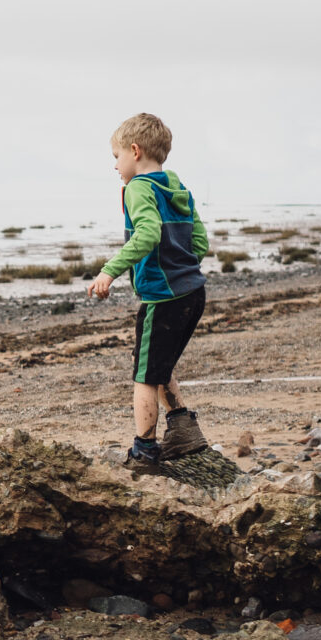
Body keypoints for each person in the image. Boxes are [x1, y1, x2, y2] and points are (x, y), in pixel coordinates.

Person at [84, 110, 211, 464]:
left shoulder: (137, 188)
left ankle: (145, 451)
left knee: (143, 375)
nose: (115, 166)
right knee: (159, 364)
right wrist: (182, 265)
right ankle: (183, 429)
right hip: (193, 293)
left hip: (164, 298)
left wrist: (109, 271)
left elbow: (148, 233)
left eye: (116, 157)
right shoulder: (176, 186)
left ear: (135, 151)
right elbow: (199, 242)